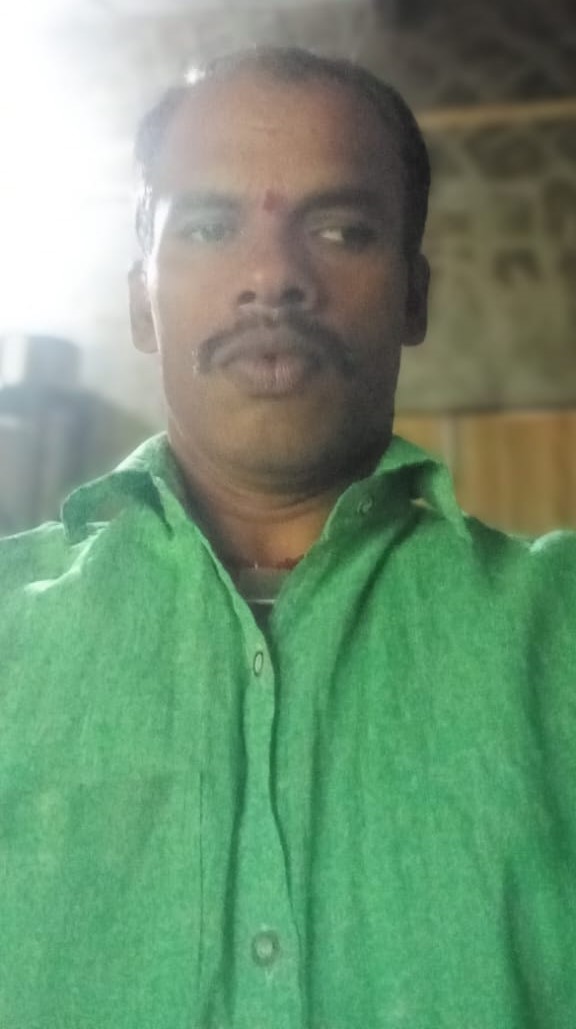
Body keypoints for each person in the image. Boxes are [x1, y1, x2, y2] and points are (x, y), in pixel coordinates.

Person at [0, 45, 575, 1029]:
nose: (273, 276)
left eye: (341, 229)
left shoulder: (557, 631)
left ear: (413, 296)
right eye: (210, 226)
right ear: (141, 299)